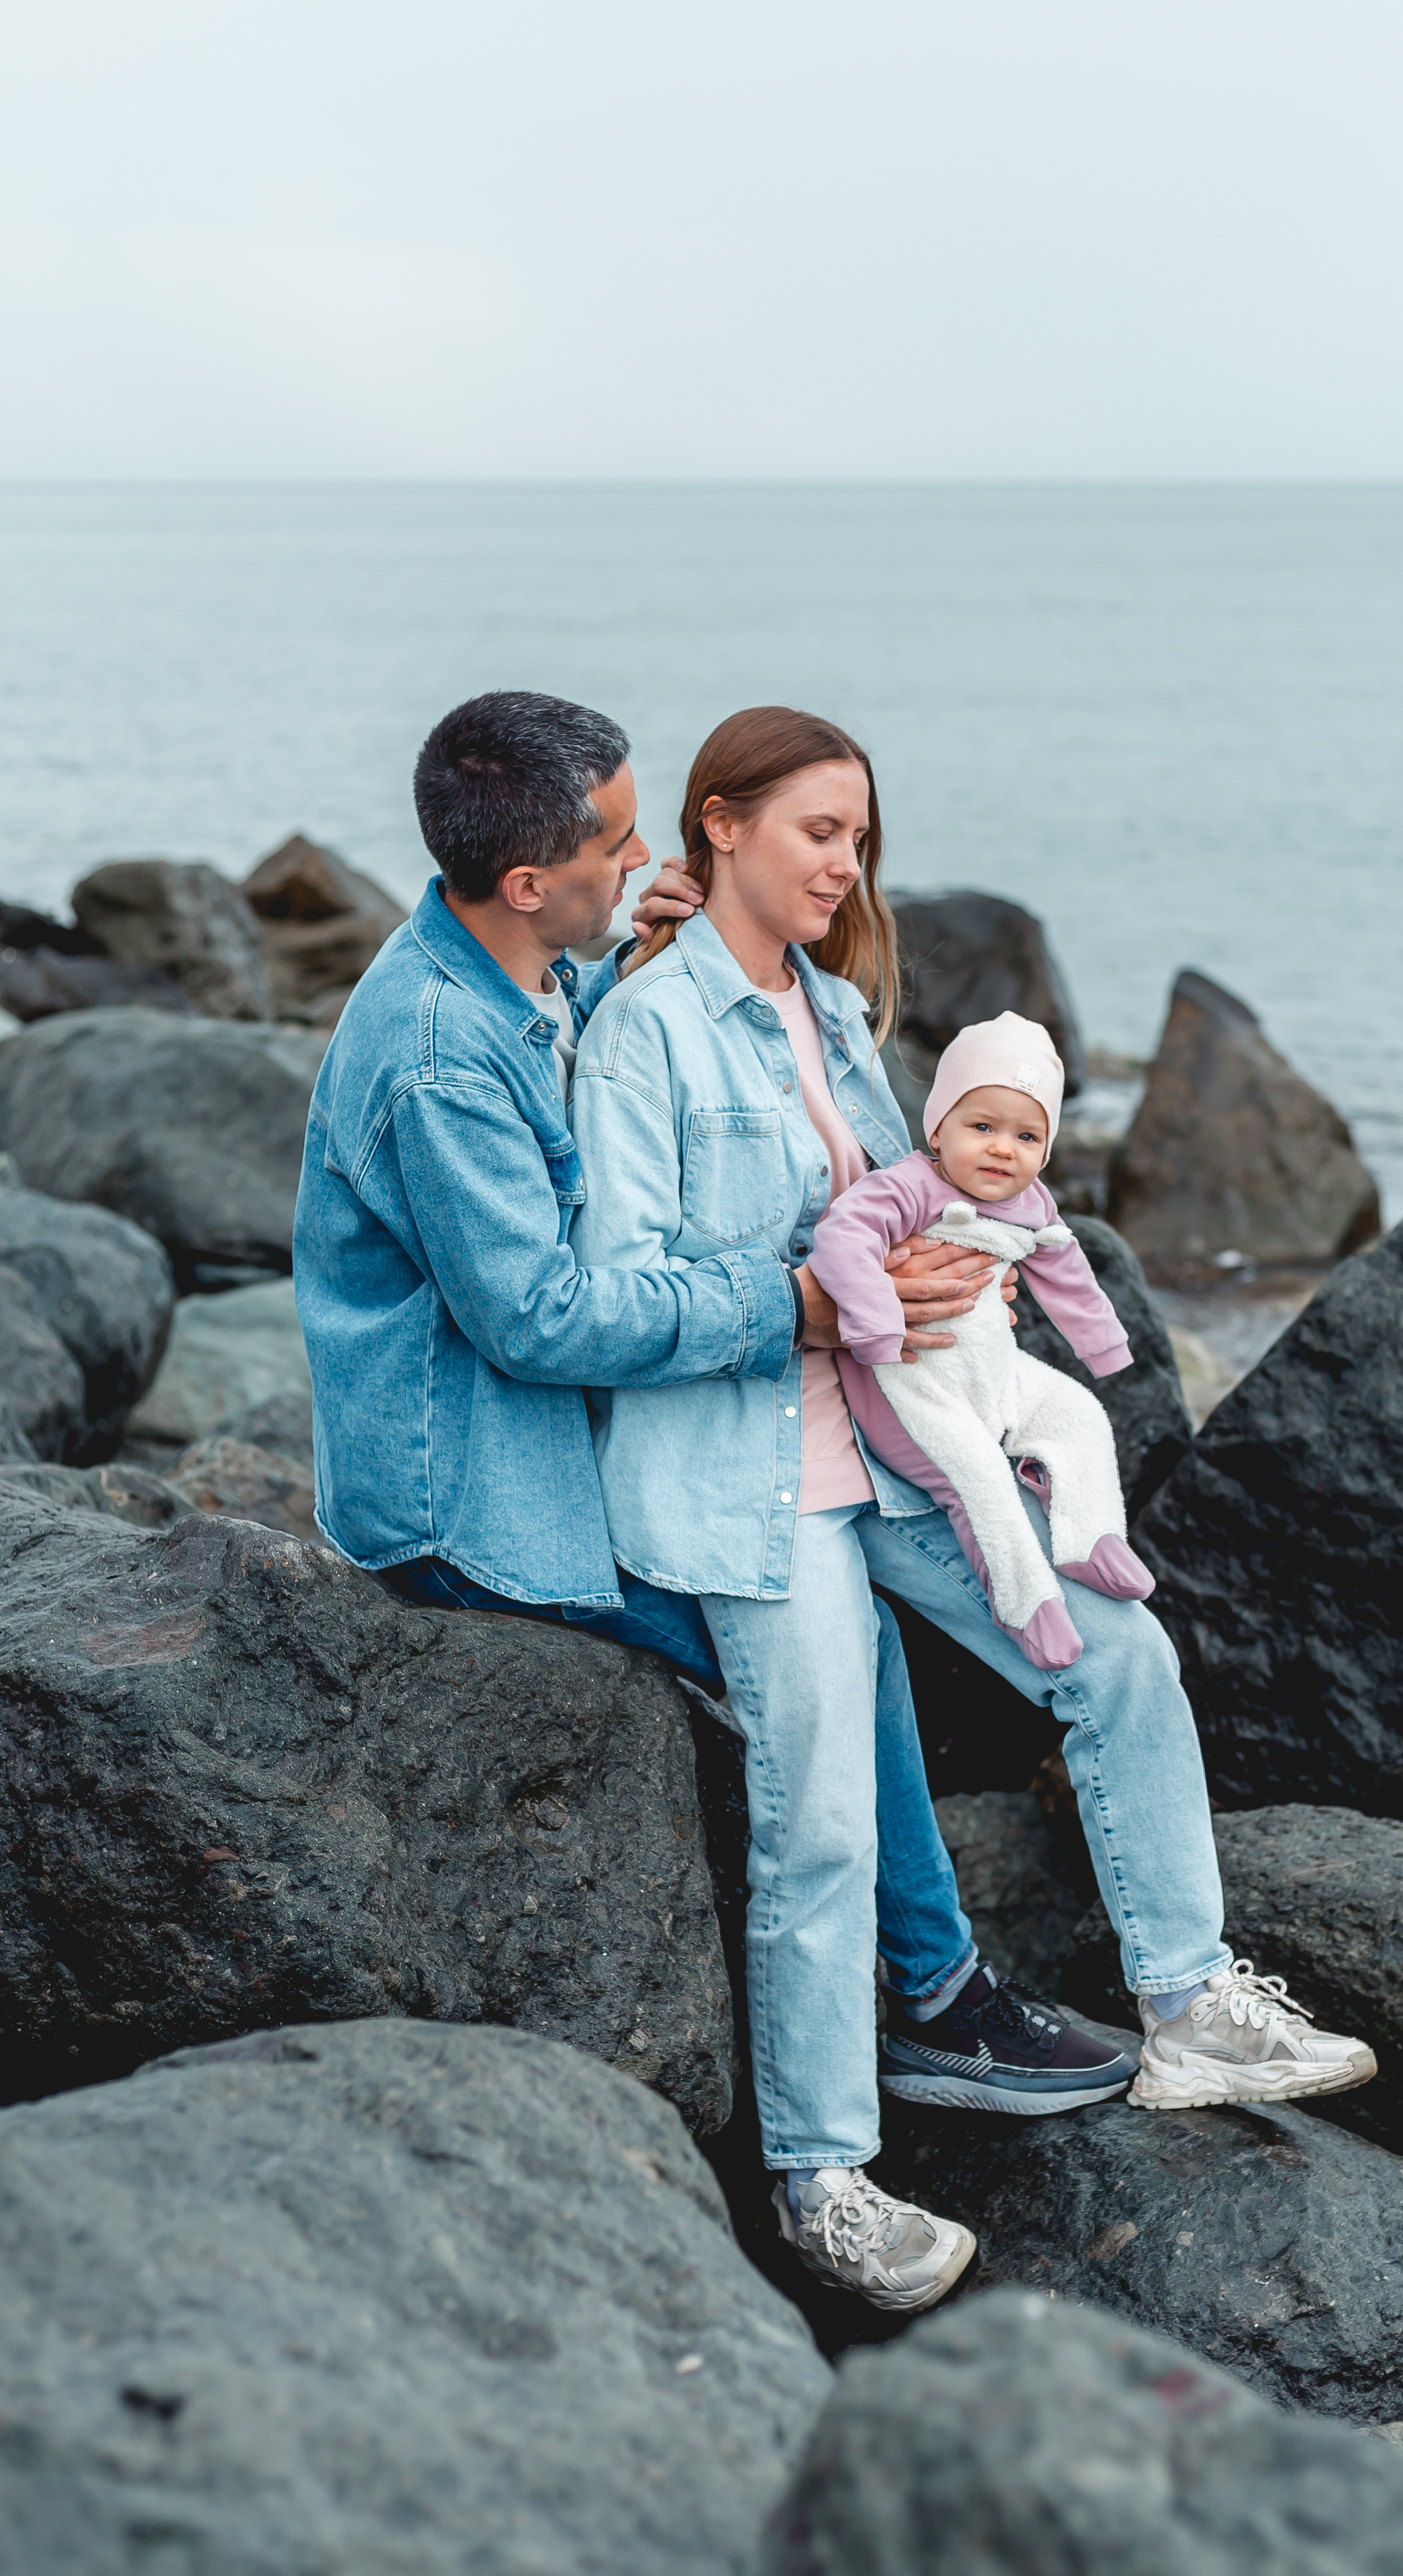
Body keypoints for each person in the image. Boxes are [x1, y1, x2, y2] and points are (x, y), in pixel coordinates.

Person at [293, 690, 1110, 2314]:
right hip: (477, 1496)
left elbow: (570, 1042)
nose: (645, 854)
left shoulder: (512, 961)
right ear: (527, 873)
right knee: (830, 1642)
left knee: (853, 1597)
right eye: (614, 843)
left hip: (573, 1439)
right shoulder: (434, 1057)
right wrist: (794, 1309)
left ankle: (928, 1987)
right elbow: (539, 1315)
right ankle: (906, 2032)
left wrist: (622, 963)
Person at [572, 705, 1377, 2310]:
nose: (846, 862)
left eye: (859, 836)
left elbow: (937, 1194)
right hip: (750, 1485)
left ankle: (1185, 2004)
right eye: (817, 828)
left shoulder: (840, 1017)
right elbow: (609, 1290)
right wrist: (810, 1290)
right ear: (714, 823)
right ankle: (821, 2180)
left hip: (901, 1447)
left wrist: (968, 1278)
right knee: (823, 1820)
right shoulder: (643, 1030)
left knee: (1117, 1648)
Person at [808, 1007, 1157, 1670]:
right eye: (982, 1127)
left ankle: (1090, 1538)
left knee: (1079, 1414)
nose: (1003, 1148)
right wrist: (878, 1324)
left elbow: (1069, 1274)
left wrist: (1104, 1348)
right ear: (937, 1127)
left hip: (995, 1373)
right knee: (980, 1482)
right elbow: (842, 1240)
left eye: (1027, 1137)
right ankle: (1025, 1603)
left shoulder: (1034, 1207)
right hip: (911, 1383)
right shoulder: (908, 1186)